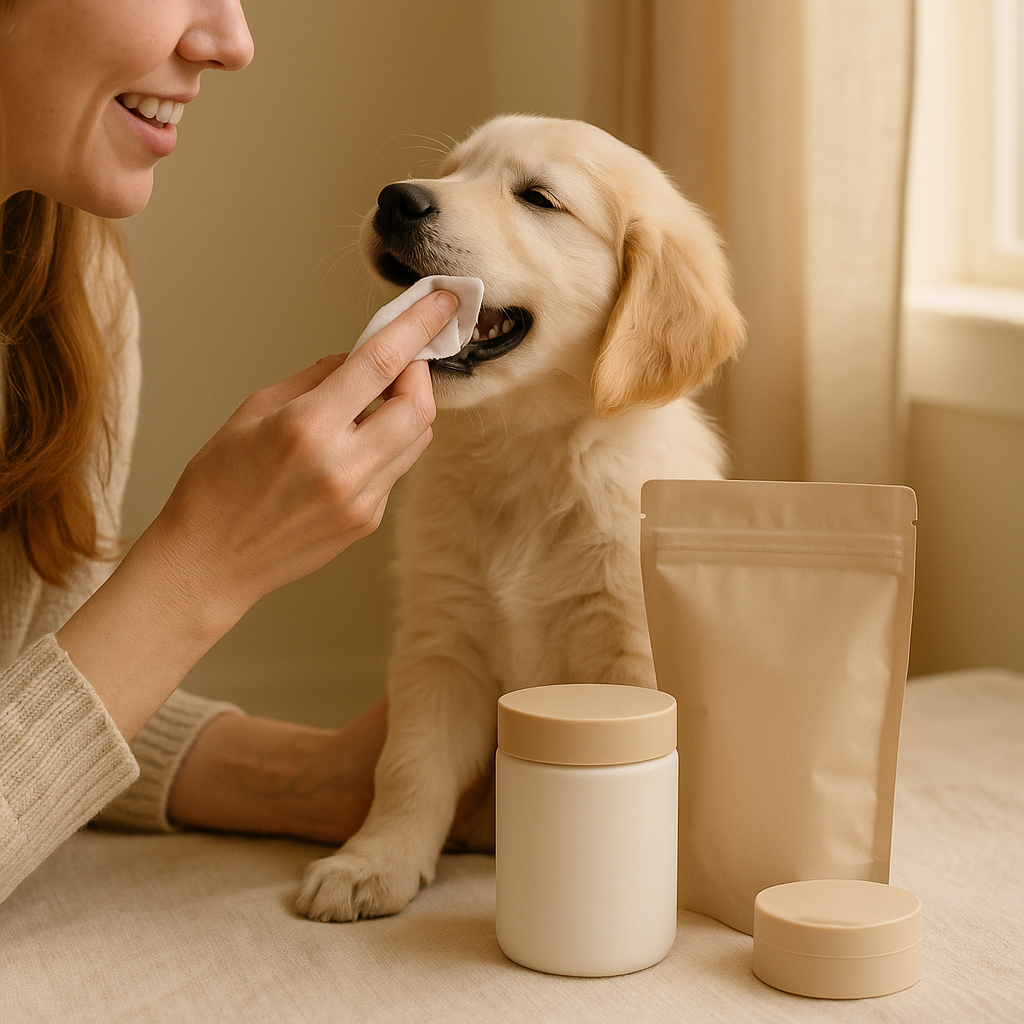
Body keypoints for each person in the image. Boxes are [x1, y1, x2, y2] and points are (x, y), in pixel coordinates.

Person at [0, 0, 465, 904]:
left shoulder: (68, 291)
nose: (232, 43)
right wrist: (201, 570)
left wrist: (305, 776)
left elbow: (34, 686)